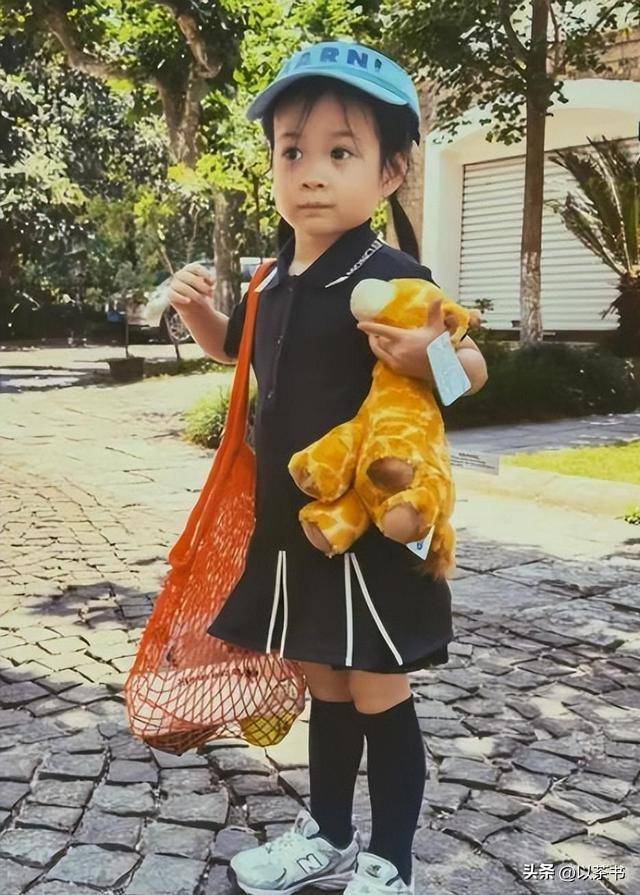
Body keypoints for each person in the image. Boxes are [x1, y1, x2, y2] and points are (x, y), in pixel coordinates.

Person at [168, 39, 488, 895]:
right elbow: (239, 354)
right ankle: (332, 834)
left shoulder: (390, 277)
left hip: (372, 529)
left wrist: (426, 356)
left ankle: (391, 862)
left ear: (390, 173)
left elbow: (471, 371)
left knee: (379, 689)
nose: (311, 172)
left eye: (341, 153)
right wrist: (201, 316)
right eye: (292, 152)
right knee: (326, 684)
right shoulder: (273, 280)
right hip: (295, 528)